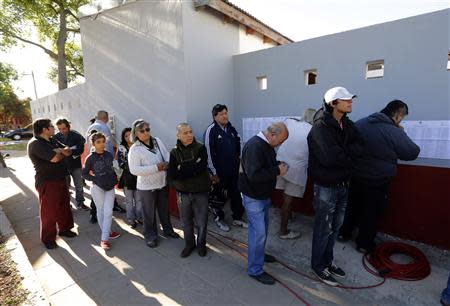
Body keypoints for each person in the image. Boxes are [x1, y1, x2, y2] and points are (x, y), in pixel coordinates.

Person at [339, 100, 420, 253]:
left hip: (356, 175)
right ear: (397, 114)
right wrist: (402, 133)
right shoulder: (393, 131)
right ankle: (364, 244)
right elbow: (412, 152)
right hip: (378, 180)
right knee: (371, 211)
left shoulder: (361, 123)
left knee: (352, 206)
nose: (401, 120)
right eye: (402, 117)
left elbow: (346, 144)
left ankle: (344, 233)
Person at [307, 86, 363, 286]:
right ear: (333, 104)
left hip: (343, 184)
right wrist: (349, 156)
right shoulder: (320, 127)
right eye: (345, 99)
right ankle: (318, 266)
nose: (350, 102)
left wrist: (346, 154)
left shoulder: (346, 124)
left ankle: (327, 262)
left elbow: (360, 145)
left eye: (351, 99)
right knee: (324, 227)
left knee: (335, 227)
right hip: (326, 187)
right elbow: (330, 158)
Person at [239, 122, 289, 285]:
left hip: (262, 195)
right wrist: (277, 171)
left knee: (262, 230)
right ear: (272, 135)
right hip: (254, 196)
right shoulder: (255, 146)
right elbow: (254, 174)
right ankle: (255, 270)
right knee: (258, 232)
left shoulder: (266, 144)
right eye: (280, 141)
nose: (280, 144)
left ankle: (258, 254)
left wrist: (277, 165)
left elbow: (263, 165)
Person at [128, 119, 180, 248]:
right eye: (142, 131)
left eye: (147, 129)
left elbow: (166, 155)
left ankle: (168, 230)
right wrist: (156, 168)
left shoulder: (157, 141)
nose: (146, 132)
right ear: (136, 134)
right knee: (148, 213)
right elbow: (134, 170)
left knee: (164, 210)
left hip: (162, 183)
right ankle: (150, 235)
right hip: (146, 187)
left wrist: (167, 163)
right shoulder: (135, 149)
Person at [27, 118, 77, 249]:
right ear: (44, 129)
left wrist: (60, 151)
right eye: (51, 126)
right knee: (49, 211)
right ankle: (48, 239)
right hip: (47, 182)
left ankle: (65, 229)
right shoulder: (35, 144)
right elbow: (54, 158)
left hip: (60, 178)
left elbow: (68, 150)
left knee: (64, 205)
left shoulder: (52, 139)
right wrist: (60, 152)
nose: (54, 128)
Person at [168, 123, 210, 258]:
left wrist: (182, 168)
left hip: (200, 192)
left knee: (202, 221)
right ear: (178, 135)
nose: (190, 135)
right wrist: (192, 167)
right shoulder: (174, 152)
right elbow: (172, 174)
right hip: (183, 194)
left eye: (191, 132)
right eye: (185, 133)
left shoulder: (201, 148)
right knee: (186, 222)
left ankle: (201, 245)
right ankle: (189, 244)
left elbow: (201, 167)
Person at [205, 104, 247, 232]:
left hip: (234, 171)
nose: (225, 116)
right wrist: (213, 173)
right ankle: (219, 219)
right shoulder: (211, 130)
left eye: (226, 113)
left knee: (236, 194)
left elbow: (239, 144)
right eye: (222, 114)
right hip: (219, 173)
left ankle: (237, 218)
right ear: (215, 116)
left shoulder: (231, 129)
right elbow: (208, 153)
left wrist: (240, 163)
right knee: (219, 197)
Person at [276, 108, 315, 239]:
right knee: (288, 200)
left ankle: (288, 216)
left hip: (280, 164)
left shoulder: (290, 122)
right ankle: (283, 231)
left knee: (284, 196)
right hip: (296, 170)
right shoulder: (313, 130)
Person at [82, 132, 121, 250]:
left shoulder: (109, 154)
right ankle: (107, 234)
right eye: (98, 142)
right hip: (97, 188)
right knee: (101, 210)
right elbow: (84, 174)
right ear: (93, 143)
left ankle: (104, 238)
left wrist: (116, 177)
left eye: (103, 141)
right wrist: (95, 179)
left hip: (110, 187)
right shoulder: (90, 158)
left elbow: (114, 167)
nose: (102, 144)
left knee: (108, 211)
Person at [86, 111, 126, 214]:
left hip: (94, 160)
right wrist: (112, 161)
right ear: (106, 118)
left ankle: (94, 212)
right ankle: (108, 208)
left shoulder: (90, 127)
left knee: (98, 188)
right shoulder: (103, 127)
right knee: (106, 187)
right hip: (103, 161)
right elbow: (107, 147)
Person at [54, 118, 88, 210]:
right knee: (65, 188)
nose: (62, 131)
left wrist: (69, 152)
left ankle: (80, 203)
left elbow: (81, 149)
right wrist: (66, 151)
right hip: (63, 166)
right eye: (60, 129)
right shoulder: (56, 137)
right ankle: (67, 205)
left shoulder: (76, 135)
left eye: (64, 128)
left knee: (79, 185)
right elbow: (55, 151)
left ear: (68, 127)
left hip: (75, 165)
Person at [118, 127, 141, 228]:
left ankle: (139, 217)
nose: (128, 137)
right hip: (127, 178)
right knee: (129, 200)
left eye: (130, 135)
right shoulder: (121, 147)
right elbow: (121, 163)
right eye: (126, 136)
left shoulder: (139, 146)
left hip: (139, 178)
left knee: (139, 200)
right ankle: (131, 219)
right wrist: (133, 166)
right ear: (123, 137)